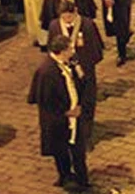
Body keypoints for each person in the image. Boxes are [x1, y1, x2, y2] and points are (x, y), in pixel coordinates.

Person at [28, 36, 90, 190]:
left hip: (73, 117)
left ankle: (80, 178)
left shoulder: (68, 63)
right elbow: (46, 101)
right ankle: (66, 177)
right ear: (62, 51)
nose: (73, 51)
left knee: (76, 149)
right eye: (70, 49)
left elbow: (78, 82)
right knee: (61, 150)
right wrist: (66, 113)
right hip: (60, 121)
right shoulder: (47, 72)